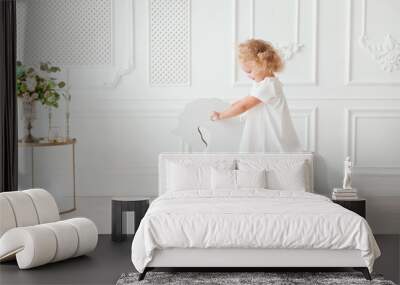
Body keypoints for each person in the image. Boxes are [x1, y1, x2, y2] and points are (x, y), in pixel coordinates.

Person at [210, 39, 303, 152]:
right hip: (262, 131)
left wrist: (221, 115)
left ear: (263, 66)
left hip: (272, 134)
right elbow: (249, 99)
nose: (248, 76)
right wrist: (234, 104)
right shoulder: (262, 84)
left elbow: (244, 106)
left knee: (270, 156)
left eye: (249, 71)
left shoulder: (269, 85)